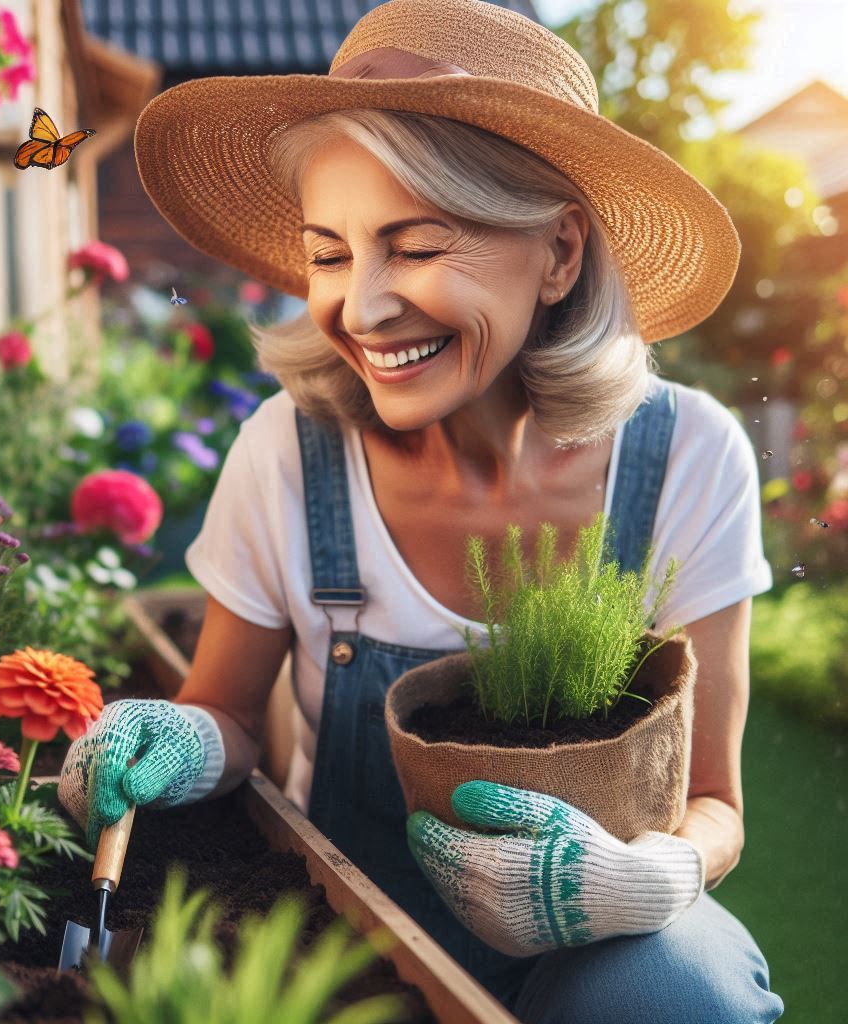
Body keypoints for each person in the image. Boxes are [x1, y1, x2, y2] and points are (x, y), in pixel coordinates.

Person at [58, 1, 784, 1020]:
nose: (361, 307)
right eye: (329, 254)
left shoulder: (687, 457)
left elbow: (714, 804)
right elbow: (224, 711)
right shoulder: (289, 450)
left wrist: (650, 878)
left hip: (593, 953)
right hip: (347, 930)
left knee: (670, 986)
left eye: (415, 244)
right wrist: (168, 741)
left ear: (560, 253)